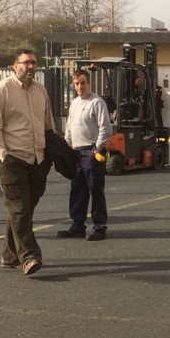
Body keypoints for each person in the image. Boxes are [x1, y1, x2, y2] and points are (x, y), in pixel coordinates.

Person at [0, 49, 55, 275]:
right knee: (20, 208)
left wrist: (51, 153)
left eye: (34, 62)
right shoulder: (2, 89)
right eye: (26, 63)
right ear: (14, 65)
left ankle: (9, 254)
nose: (31, 67)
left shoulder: (40, 91)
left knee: (24, 209)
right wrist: (2, 154)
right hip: (12, 158)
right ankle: (29, 256)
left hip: (37, 158)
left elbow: (48, 124)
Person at [57, 68, 112, 241]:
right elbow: (69, 127)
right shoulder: (74, 103)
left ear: (89, 83)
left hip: (91, 152)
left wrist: (97, 148)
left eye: (83, 83)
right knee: (77, 189)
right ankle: (77, 225)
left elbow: (106, 128)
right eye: (76, 83)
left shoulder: (97, 102)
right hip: (76, 152)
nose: (80, 87)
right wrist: (67, 148)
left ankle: (99, 226)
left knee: (95, 189)